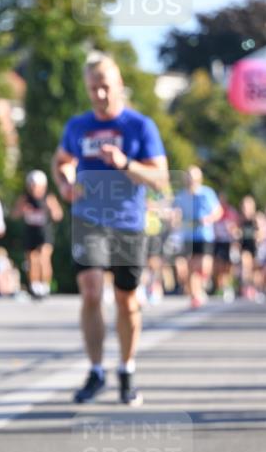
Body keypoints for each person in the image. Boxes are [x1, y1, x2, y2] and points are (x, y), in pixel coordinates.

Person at [52, 54, 168, 406]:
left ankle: (127, 368)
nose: (100, 94)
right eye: (93, 88)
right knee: (90, 292)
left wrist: (126, 164)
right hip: (88, 220)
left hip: (127, 222)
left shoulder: (140, 126)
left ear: (118, 85)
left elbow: (160, 178)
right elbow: (61, 162)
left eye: (105, 86)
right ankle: (96, 370)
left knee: (126, 299)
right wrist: (64, 184)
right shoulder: (78, 126)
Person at [172, 166, 222, 309]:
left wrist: (209, 219)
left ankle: (202, 285)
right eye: (188, 177)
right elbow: (175, 211)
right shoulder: (181, 195)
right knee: (192, 266)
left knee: (204, 267)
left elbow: (218, 211)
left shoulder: (207, 193)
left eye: (193, 177)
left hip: (205, 235)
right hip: (188, 235)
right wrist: (174, 219)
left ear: (199, 178)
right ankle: (195, 295)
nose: (190, 180)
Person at [12, 169, 63, 298]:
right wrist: (22, 210)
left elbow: (58, 215)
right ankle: (35, 286)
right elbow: (14, 215)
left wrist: (51, 210)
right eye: (32, 185)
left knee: (44, 258)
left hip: (44, 232)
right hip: (30, 232)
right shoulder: (25, 199)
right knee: (32, 260)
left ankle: (45, 285)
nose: (34, 188)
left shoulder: (48, 198)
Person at [212, 193, 241, 302]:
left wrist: (234, 234)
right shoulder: (214, 211)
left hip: (228, 242)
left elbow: (236, 228)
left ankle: (228, 287)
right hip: (218, 242)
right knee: (218, 266)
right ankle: (220, 288)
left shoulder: (231, 212)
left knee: (228, 267)